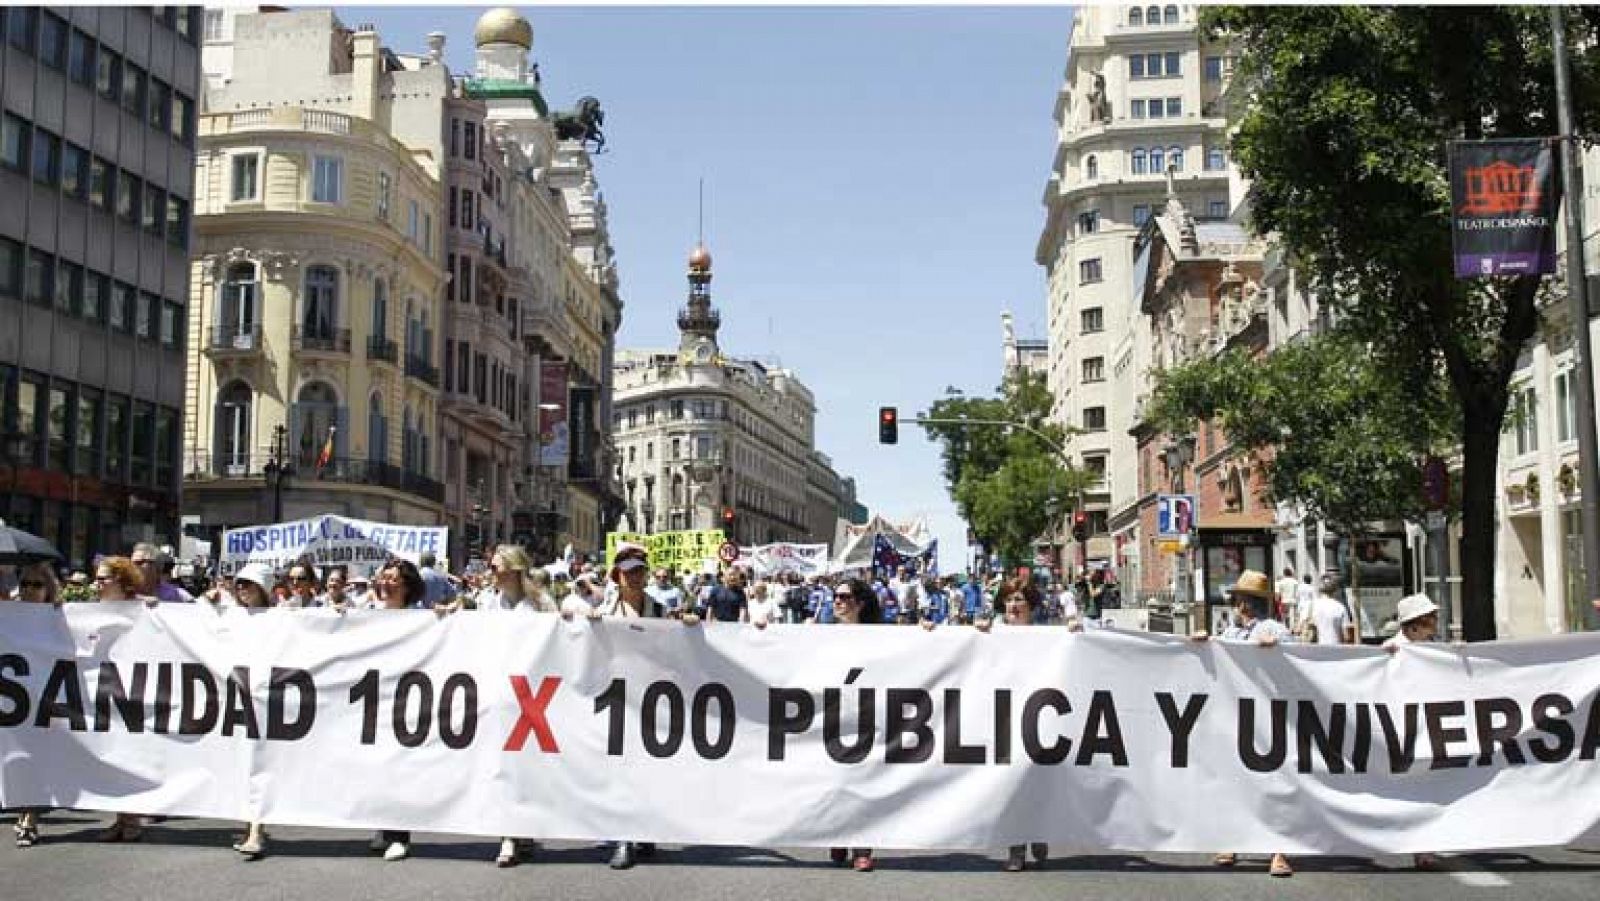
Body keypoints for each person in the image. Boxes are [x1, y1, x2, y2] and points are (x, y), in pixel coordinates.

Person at [1195, 569, 1294, 878]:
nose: (1236, 605)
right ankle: (1233, 842)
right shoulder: (1232, 633)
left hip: (1269, 717)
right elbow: (1218, 654)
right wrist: (1202, 643)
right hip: (1240, 717)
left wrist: (1276, 649)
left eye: (1238, 599)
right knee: (1236, 781)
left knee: (1274, 784)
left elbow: (1296, 662)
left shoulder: (1275, 630)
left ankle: (1279, 850)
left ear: (1246, 603)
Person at [973, 576, 1050, 870]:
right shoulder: (993, 633)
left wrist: (1076, 630)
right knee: (1011, 781)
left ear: (1030, 605)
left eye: (1019, 599)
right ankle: (1016, 848)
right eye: (1008, 600)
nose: (1013, 605)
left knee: (1036, 779)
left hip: (1039, 719)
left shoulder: (1049, 637)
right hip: (1003, 718)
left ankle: (1039, 830)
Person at [370, 559, 428, 861]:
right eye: (384, 577)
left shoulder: (418, 619)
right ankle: (382, 826)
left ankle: (399, 835)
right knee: (376, 766)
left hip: (404, 703)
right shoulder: (367, 616)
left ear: (406, 585)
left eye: (393, 579)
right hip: (372, 700)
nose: (385, 583)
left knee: (398, 768)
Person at [1383, 593, 1443, 871]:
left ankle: (1423, 847)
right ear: (1414, 624)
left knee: (1427, 786)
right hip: (1399, 730)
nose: (1435, 622)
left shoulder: (1435, 649)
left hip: (1427, 728)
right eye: (1430, 618)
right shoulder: (1391, 648)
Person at [827, 577, 883, 872]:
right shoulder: (815, 635)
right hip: (831, 717)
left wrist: (925, 630)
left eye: (845, 597)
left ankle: (863, 846)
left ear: (859, 604)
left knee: (863, 782)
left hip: (867, 717)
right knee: (835, 782)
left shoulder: (879, 636)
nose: (838, 601)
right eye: (835, 596)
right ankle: (838, 835)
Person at [7, 562, 60, 848]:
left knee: (33, 759)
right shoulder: (8, 615)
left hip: (45, 703)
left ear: (48, 591)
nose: (28, 590)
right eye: (24, 583)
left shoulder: (60, 618)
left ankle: (28, 818)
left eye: (36, 585)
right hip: (12, 704)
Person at [1300, 572, 1355, 645]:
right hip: (1335, 649)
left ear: (1320, 588)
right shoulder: (1340, 607)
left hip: (1315, 649)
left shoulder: (1311, 605)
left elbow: (1302, 627)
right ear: (1335, 589)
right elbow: (1346, 636)